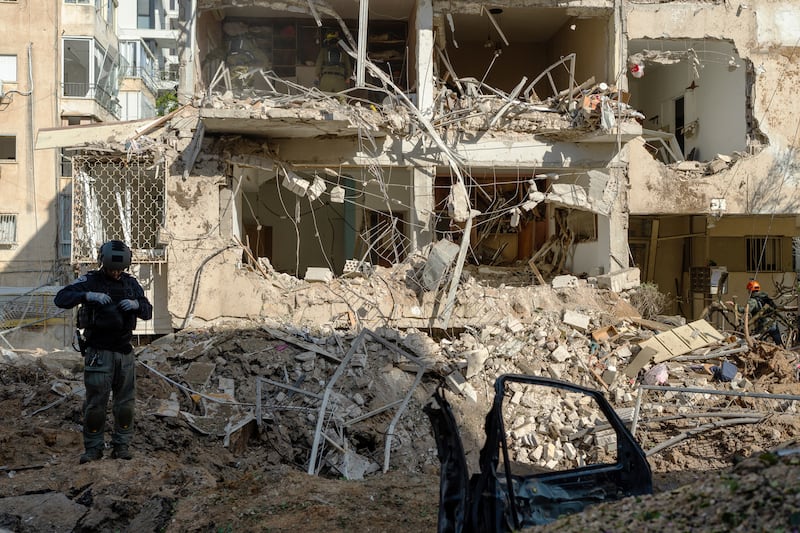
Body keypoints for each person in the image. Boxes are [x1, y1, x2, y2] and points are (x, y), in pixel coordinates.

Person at [54, 240, 153, 464]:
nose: (115, 273)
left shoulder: (131, 284)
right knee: (96, 404)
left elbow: (147, 311)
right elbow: (61, 298)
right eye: (111, 269)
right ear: (103, 264)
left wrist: (137, 305)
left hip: (125, 353)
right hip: (99, 353)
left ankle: (122, 445)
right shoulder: (91, 280)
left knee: (125, 405)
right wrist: (87, 296)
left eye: (119, 269)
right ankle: (93, 448)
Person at [744, 280, 783, 346]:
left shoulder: (753, 301)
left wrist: (735, 306)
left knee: (757, 342)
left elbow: (744, 310)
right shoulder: (766, 298)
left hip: (763, 325)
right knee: (778, 342)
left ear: (750, 290)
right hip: (773, 323)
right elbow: (774, 308)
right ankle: (784, 352)